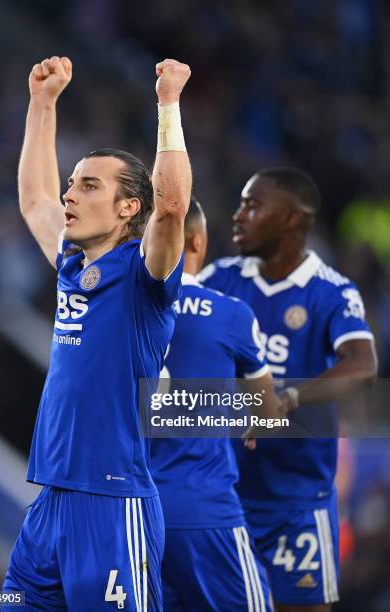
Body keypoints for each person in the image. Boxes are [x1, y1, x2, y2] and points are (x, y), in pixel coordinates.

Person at [2, 55, 192, 611]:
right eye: (73, 184)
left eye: (88, 186)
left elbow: (173, 205)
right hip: (50, 502)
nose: (70, 196)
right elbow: (34, 198)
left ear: (129, 206)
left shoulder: (144, 275)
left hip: (113, 505)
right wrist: (42, 104)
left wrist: (168, 105)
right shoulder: (71, 264)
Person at [199, 168, 377, 612]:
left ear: (292, 221)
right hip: (223, 496)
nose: (238, 216)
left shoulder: (331, 292)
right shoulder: (220, 279)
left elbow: (362, 364)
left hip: (296, 503)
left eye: (253, 206)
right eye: (241, 203)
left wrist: (290, 398)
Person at [151, 196, 277, 611]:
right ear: (198, 242)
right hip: (206, 510)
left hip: (134, 512)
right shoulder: (232, 314)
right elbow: (267, 409)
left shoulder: (119, 312)